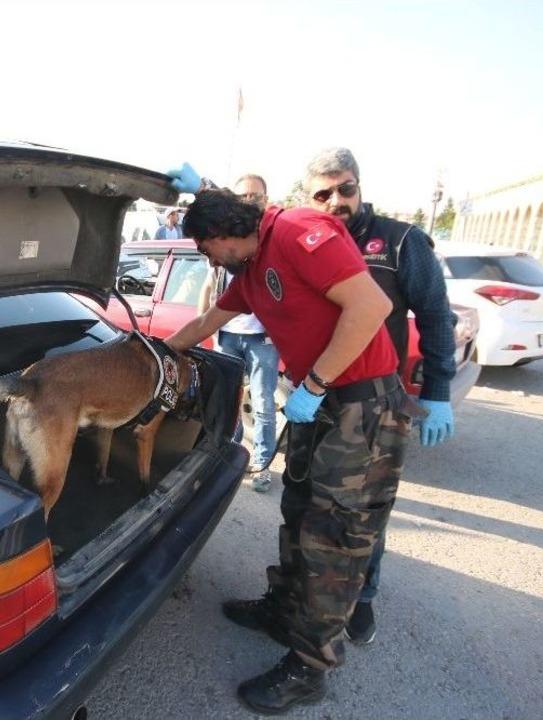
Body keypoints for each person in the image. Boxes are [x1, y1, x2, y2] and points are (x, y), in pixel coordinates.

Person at [163, 178, 409, 713]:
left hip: (359, 407)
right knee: (299, 513)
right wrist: (158, 350)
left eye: (205, 249)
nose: (207, 259)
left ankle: (309, 666)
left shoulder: (297, 231)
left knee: (335, 537)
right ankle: (283, 610)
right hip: (320, 402)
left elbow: (369, 306)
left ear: (223, 234)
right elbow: (210, 319)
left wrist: (316, 384)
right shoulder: (249, 270)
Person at [303, 147, 457, 645]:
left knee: (365, 511)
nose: (335, 201)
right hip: (316, 394)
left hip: (374, 402)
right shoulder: (305, 239)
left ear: (360, 186)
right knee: (313, 504)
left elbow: (436, 317)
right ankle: (306, 596)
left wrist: (437, 391)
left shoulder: (397, 242)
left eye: (345, 188)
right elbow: (246, 218)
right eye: (323, 193)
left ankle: (361, 600)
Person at [197, 174, 280, 492]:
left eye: (256, 196)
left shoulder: (268, 241)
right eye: (243, 195)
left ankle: (261, 465)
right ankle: (226, 458)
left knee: (262, 404)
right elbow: (208, 288)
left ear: (266, 198)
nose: (250, 201)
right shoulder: (223, 240)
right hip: (227, 334)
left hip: (262, 339)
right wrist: (206, 331)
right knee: (226, 401)